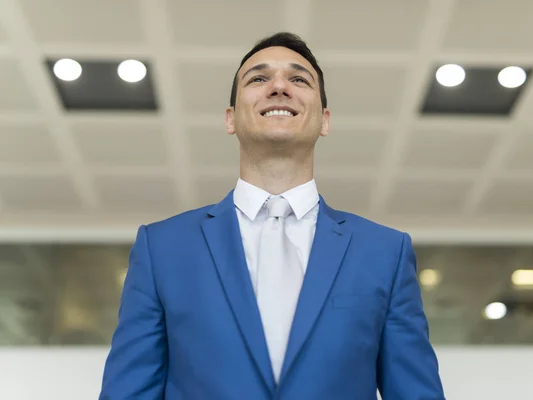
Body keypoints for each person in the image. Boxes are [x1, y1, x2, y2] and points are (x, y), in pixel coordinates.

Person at [100, 32, 445, 399]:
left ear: (325, 120)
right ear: (230, 118)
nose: (279, 87)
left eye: (298, 79)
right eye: (258, 78)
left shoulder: (385, 253)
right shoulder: (162, 248)